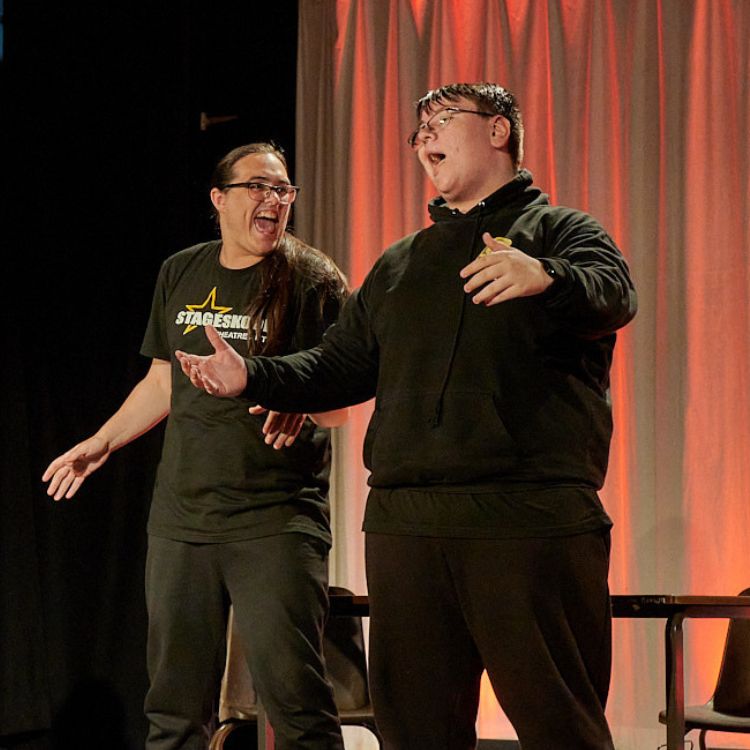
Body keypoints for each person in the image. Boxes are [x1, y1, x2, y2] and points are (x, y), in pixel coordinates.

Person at [175, 84, 638, 750]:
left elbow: (615, 294)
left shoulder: (561, 232)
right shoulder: (401, 264)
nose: (424, 140)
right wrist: (254, 373)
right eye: (417, 131)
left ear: (499, 131)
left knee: (559, 726)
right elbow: (337, 367)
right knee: (414, 730)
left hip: (526, 518)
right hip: (407, 527)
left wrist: (548, 276)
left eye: (441, 122)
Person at [42, 142, 349, 750]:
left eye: (284, 189)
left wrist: (299, 398)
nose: (274, 200)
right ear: (219, 198)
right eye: (259, 187)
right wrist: (103, 441)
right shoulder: (181, 271)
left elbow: (345, 393)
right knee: (176, 711)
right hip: (183, 520)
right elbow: (162, 380)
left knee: (297, 706)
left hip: (276, 519)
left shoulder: (313, 278)